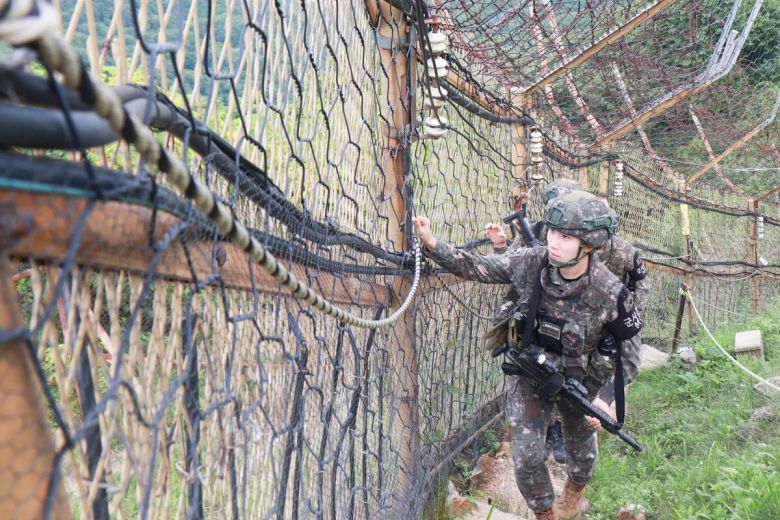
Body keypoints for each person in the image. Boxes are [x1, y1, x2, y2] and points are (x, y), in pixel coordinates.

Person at [413, 192, 643, 520]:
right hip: (529, 373)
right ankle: (545, 514)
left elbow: (629, 355)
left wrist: (606, 400)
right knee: (527, 457)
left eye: (566, 237)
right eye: (552, 231)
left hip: (580, 380)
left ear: (589, 245)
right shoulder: (531, 262)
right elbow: (476, 266)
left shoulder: (611, 293)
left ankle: (575, 490)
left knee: (581, 456)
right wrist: (432, 243)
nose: (554, 242)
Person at [486, 182, 650, 464]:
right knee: (548, 368)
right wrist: (502, 246)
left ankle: (586, 414)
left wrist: (627, 316)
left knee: (616, 359)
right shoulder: (541, 233)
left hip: (604, 315)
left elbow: (640, 284)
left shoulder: (620, 250)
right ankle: (551, 427)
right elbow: (511, 266)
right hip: (555, 310)